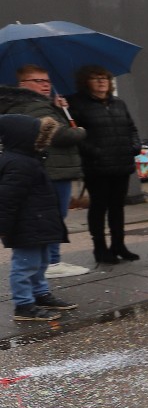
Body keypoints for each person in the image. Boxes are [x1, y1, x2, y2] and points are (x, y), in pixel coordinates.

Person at [0, 65, 88, 277]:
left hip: (49, 168)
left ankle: (47, 262)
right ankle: (51, 262)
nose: (45, 85)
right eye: (38, 81)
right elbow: (58, 134)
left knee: (49, 217)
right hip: (53, 169)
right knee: (52, 217)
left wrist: (58, 109)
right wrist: (80, 131)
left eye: (47, 81)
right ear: (23, 84)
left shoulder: (33, 104)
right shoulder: (35, 106)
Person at [0, 115, 78, 321]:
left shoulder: (29, 158)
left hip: (38, 222)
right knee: (25, 265)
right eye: (38, 135)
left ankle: (40, 294)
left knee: (41, 262)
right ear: (23, 137)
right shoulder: (18, 163)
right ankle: (23, 305)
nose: (41, 139)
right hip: (26, 225)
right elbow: (7, 199)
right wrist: (3, 226)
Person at [72, 65, 145, 265]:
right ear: (85, 82)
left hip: (121, 163)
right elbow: (76, 135)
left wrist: (135, 146)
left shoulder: (118, 103)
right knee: (99, 206)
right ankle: (100, 248)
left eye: (104, 77)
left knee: (117, 207)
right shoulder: (77, 104)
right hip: (97, 166)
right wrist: (94, 152)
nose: (101, 81)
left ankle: (119, 245)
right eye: (95, 78)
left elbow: (131, 128)